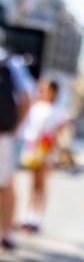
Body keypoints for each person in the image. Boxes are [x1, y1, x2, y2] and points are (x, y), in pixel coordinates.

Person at [20, 79, 66, 232]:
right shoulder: (35, 107)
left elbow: (59, 132)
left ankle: (36, 218)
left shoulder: (57, 110)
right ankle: (27, 215)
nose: (42, 92)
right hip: (32, 149)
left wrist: (55, 151)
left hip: (45, 149)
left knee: (41, 184)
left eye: (45, 89)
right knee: (32, 184)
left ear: (53, 92)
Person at [0, 32, 33, 249]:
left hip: (4, 134)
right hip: (4, 133)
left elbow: (26, 98)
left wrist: (14, 129)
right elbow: (27, 97)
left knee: (5, 184)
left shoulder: (10, 63)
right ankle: (7, 231)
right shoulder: (11, 62)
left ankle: (7, 230)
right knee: (5, 184)